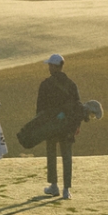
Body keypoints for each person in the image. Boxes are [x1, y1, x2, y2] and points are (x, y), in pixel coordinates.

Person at [37, 53, 82, 200]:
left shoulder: (45, 85)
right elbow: (78, 107)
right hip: (67, 126)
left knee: (51, 155)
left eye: (50, 65)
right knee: (67, 156)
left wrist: (40, 127)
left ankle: (54, 186)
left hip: (51, 126)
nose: (49, 67)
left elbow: (40, 110)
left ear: (53, 66)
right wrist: (77, 125)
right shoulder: (71, 84)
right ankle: (66, 190)